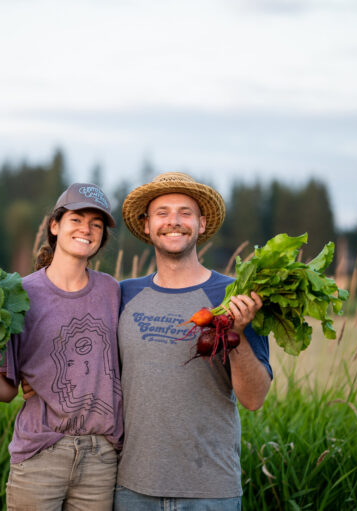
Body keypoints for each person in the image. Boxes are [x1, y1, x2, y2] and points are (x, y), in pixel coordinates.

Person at [114, 172, 273, 510]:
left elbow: (254, 398)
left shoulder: (234, 296)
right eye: (162, 212)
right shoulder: (125, 295)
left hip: (210, 491)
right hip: (132, 490)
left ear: (201, 224)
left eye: (185, 212)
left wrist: (239, 335)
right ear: (146, 225)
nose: (174, 221)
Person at [0, 183, 123, 511]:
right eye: (77, 219)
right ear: (55, 225)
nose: (86, 229)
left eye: (96, 224)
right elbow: (8, 390)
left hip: (100, 459)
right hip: (40, 455)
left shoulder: (112, 291)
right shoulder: (19, 295)